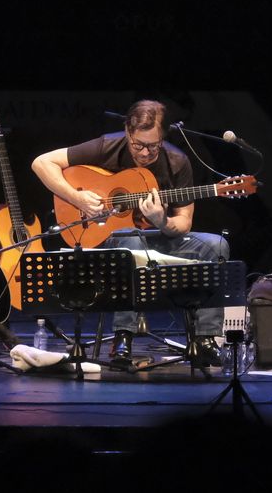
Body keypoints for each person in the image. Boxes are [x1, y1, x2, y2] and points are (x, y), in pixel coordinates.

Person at [30, 99, 229, 367]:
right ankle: (123, 335)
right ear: (128, 132)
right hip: (105, 243)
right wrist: (78, 200)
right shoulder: (106, 146)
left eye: (153, 145)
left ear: (163, 137)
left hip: (157, 239)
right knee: (129, 236)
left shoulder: (177, 162)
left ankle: (204, 340)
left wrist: (161, 221)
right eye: (139, 145)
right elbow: (41, 163)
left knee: (216, 246)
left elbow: (183, 223)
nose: (146, 153)